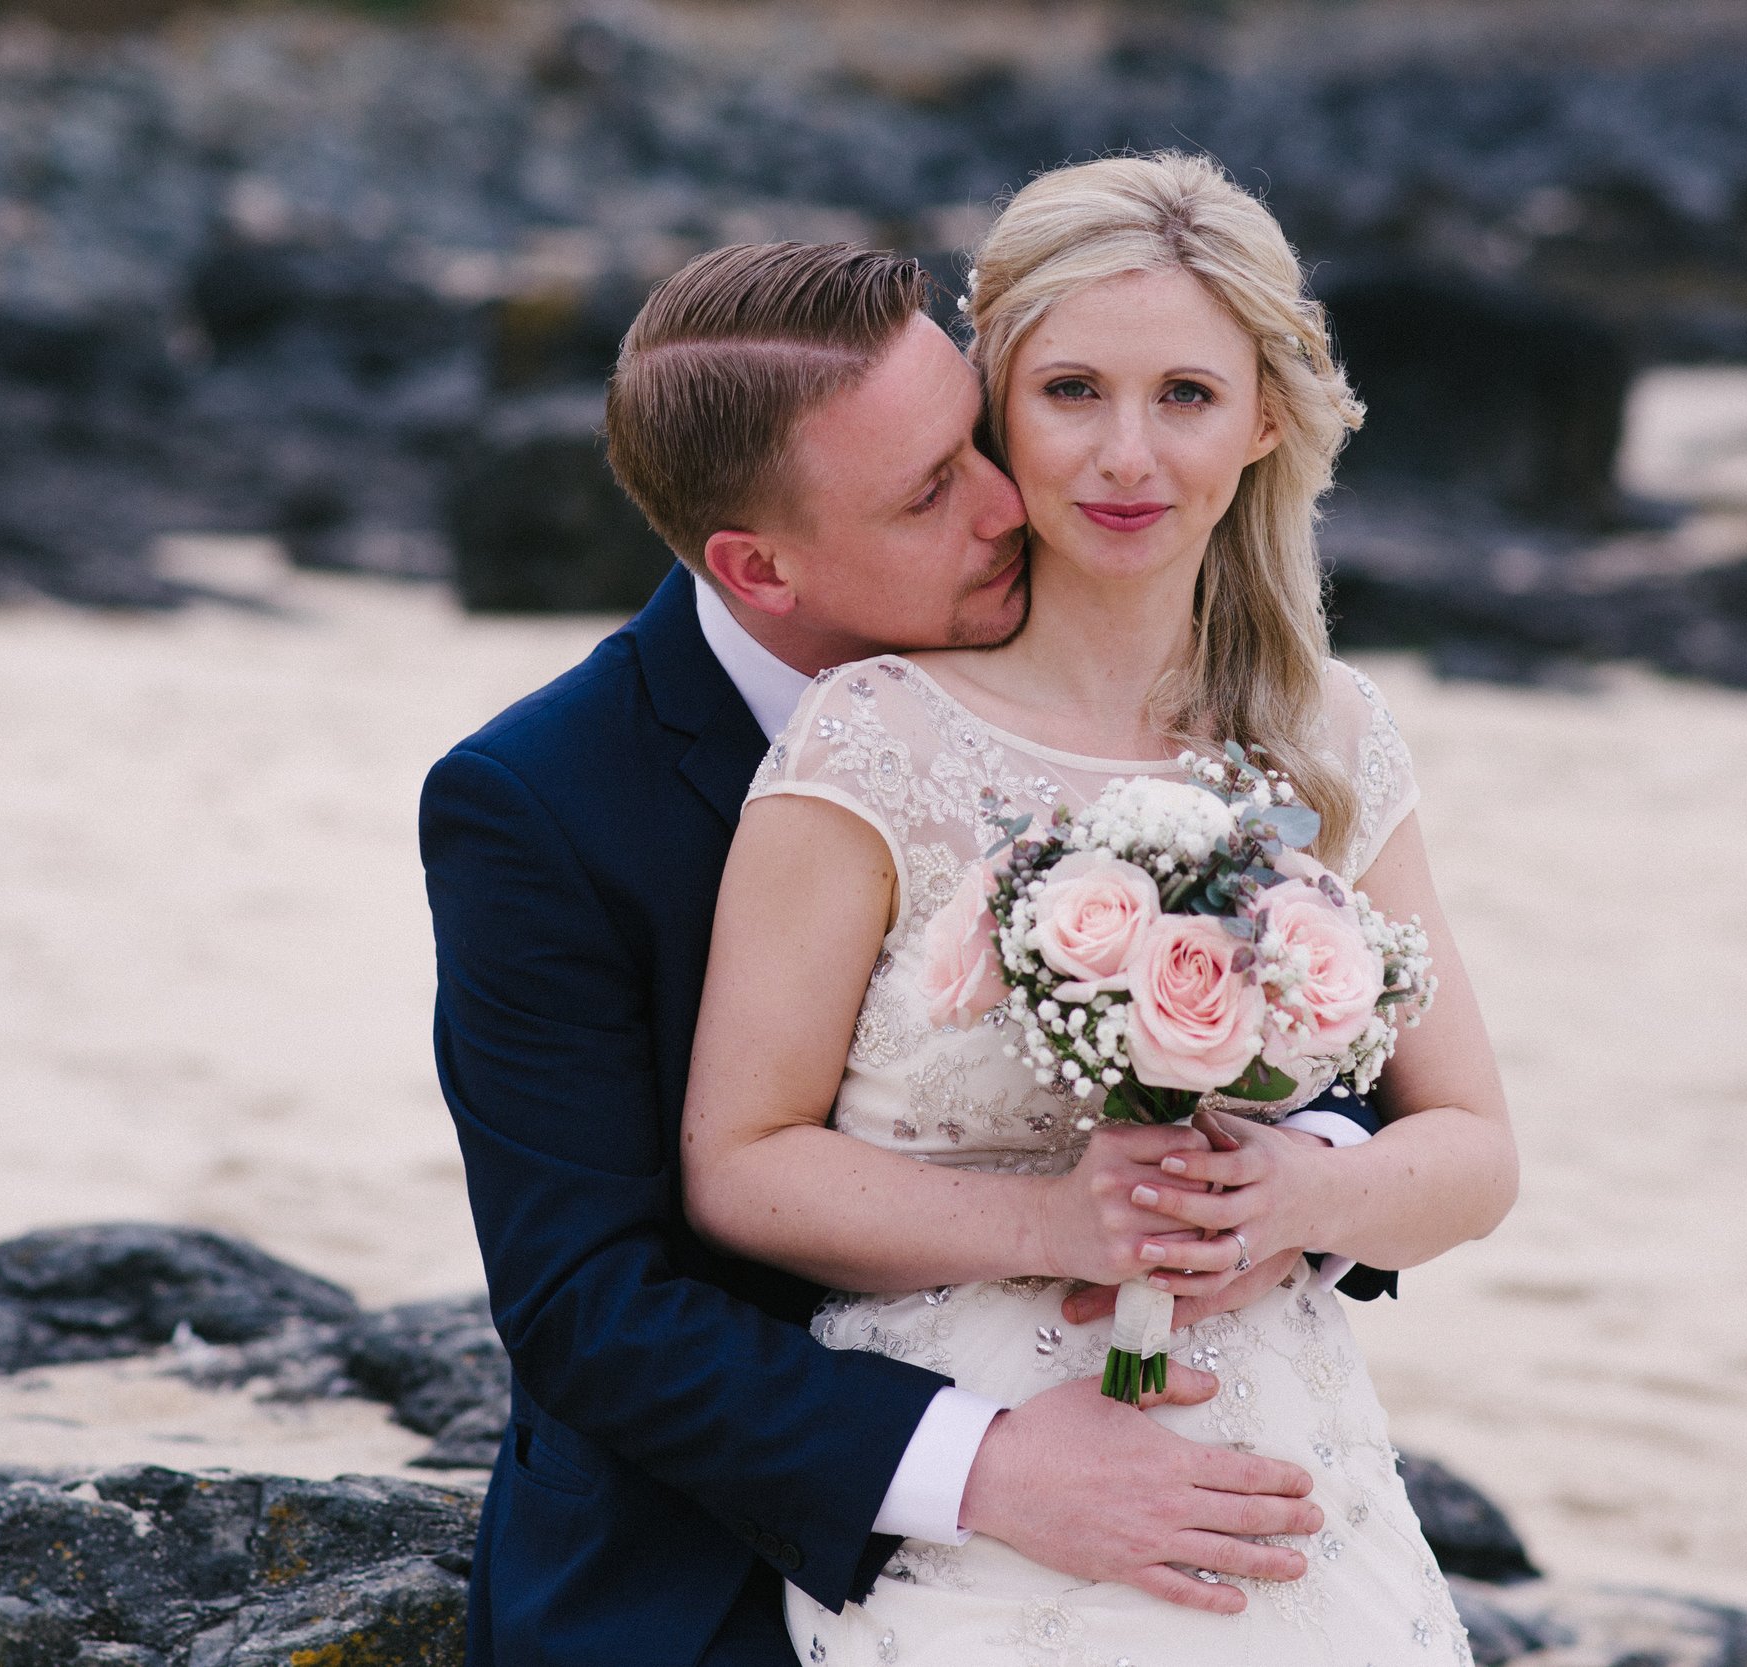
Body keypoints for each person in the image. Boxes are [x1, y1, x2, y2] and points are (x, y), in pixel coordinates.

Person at [421, 238, 1393, 1667]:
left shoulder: (1143, 696)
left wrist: (1267, 1178)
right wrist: (989, 1470)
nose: (1015, 503)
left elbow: (1323, 1038)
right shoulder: (543, 804)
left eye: (980, 435)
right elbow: (587, 1307)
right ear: (760, 566)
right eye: (933, 490)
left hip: (1172, 1448)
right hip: (717, 1548)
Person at [678, 153, 1517, 1663]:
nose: (1128, 455)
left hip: (1279, 1470)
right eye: (1073, 391)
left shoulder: (1329, 738)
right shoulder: (872, 735)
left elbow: (1473, 1152)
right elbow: (741, 1166)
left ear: (1265, 416)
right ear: (995, 400)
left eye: (1185, 396)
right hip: (980, 1469)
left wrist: (1309, 1198)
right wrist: (1065, 1219)